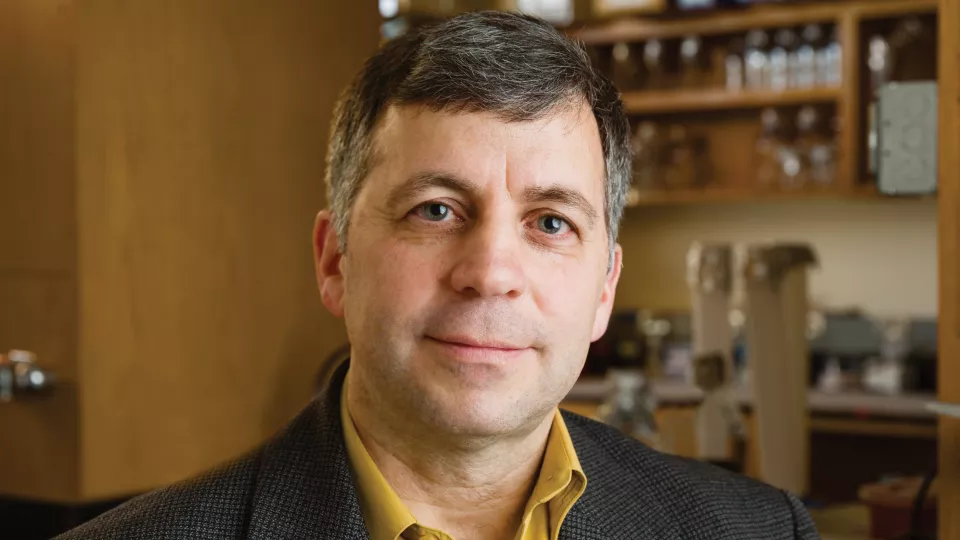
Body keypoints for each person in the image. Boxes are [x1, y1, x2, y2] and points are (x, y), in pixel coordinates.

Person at [59, 11, 819, 540]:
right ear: (334, 261)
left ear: (605, 291)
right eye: (435, 210)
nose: (490, 273)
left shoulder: (758, 531)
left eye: (551, 222)